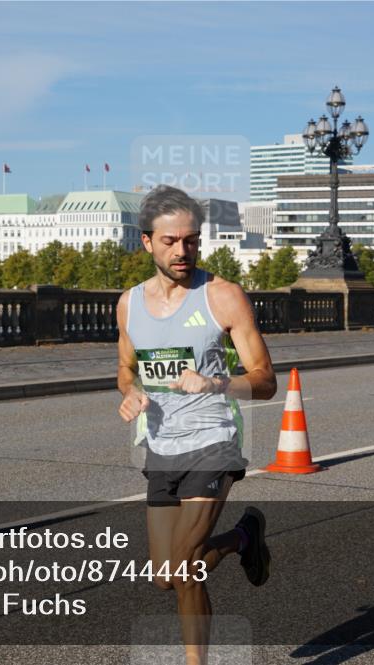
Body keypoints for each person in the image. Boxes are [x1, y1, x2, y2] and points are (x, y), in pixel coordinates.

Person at [116, 185, 277, 664]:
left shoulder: (222, 296)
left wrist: (216, 382)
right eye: (170, 241)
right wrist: (130, 393)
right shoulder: (129, 304)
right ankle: (243, 537)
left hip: (213, 442)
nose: (182, 251)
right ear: (147, 242)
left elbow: (266, 381)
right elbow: (125, 368)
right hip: (162, 446)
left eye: (190, 240)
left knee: (186, 567)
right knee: (164, 577)